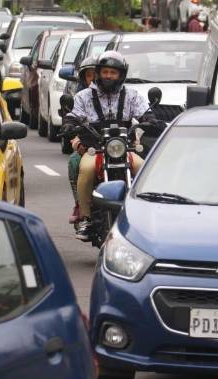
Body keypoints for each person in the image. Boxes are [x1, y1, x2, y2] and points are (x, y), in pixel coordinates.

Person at [63, 51, 165, 241]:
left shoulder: (132, 95)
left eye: (113, 72)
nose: (108, 76)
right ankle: (85, 217)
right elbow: (73, 115)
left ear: (121, 75)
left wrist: (150, 120)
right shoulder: (83, 96)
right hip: (96, 149)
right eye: (105, 72)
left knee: (143, 168)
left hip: (125, 149)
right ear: (99, 73)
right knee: (85, 168)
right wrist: (69, 123)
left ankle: (147, 214)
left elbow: (145, 114)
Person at [67, 56, 98, 224]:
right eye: (89, 75)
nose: (93, 79)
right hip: (91, 148)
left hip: (118, 147)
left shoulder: (122, 94)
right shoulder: (82, 97)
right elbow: (72, 122)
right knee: (74, 161)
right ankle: (80, 204)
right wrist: (78, 143)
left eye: (96, 74)